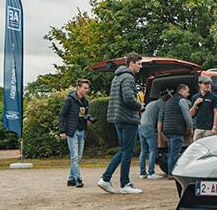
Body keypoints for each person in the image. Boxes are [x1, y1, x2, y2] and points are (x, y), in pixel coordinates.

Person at [98, 54, 144, 195]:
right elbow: (129, 98)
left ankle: (106, 179)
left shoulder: (117, 76)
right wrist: (140, 106)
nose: (141, 67)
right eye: (139, 64)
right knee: (127, 151)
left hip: (118, 118)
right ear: (132, 63)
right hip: (128, 119)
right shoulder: (128, 77)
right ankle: (125, 184)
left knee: (123, 150)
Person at [58, 78, 92, 188]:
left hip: (82, 131)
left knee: (78, 157)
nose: (87, 90)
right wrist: (62, 131)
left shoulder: (85, 102)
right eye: (85, 88)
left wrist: (88, 120)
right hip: (72, 131)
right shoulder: (70, 100)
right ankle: (78, 179)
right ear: (78, 87)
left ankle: (71, 179)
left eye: (88, 88)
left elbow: (83, 115)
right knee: (75, 157)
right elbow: (62, 115)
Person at [161, 83, 194, 178]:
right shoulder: (182, 101)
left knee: (171, 152)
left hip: (168, 130)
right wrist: (190, 128)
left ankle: (169, 172)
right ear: (182, 91)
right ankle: (172, 173)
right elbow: (187, 116)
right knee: (174, 154)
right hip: (176, 130)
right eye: (187, 92)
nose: (188, 94)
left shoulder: (169, 100)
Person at [138, 94, 164, 180]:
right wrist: (160, 134)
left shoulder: (151, 103)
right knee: (153, 150)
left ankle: (142, 173)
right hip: (149, 128)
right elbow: (160, 121)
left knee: (143, 151)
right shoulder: (162, 105)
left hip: (141, 126)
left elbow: (142, 113)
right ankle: (151, 173)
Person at [190, 75, 217, 141]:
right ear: (199, 84)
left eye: (209, 83)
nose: (208, 85)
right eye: (205, 83)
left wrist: (214, 127)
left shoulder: (213, 97)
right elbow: (191, 115)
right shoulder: (195, 97)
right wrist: (195, 104)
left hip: (209, 129)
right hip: (198, 128)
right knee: (196, 148)